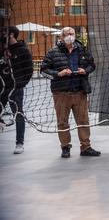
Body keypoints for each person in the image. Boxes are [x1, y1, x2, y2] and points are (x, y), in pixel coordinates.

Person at [40, 27, 100, 158]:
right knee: (62, 122)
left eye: (71, 33)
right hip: (61, 93)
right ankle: (65, 147)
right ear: (61, 37)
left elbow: (92, 65)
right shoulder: (53, 52)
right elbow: (43, 70)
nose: (70, 36)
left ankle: (86, 147)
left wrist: (86, 70)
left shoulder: (82, 49)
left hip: (80, 91)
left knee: (83, 120)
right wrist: (58, 73)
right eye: (66, 34)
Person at [0, 26, 34, 155]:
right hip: (2, 89)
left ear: (12, 35)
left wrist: (19, 84)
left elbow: (29, 71)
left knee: (18, 114)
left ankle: (19, 143)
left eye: (5, 33)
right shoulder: (2, 50)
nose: (2, 35)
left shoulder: (23, 50)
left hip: (16, 89)